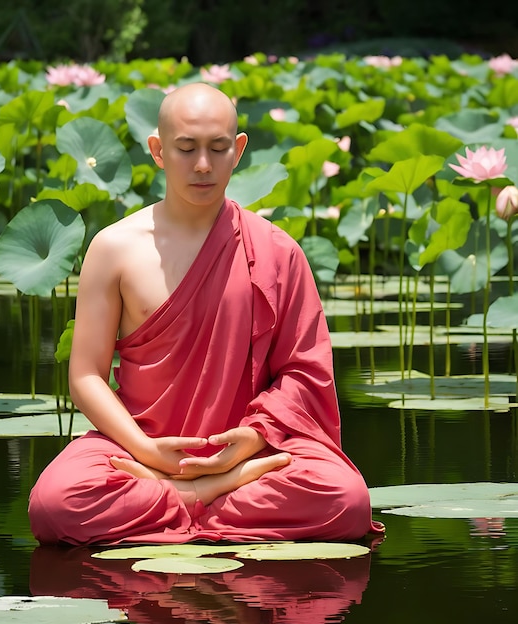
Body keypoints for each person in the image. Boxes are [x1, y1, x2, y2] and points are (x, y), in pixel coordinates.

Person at [28, 82, 384, 545]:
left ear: (238, 151)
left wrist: (252, 441)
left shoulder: (277, 251)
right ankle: (207, 497)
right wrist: (146, 451)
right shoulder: (113, 247)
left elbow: (303, 373)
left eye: (218, 149)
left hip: (245, 452)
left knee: (345, 499)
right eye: (185, 148)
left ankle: (182, 497)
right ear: (157, 150)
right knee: (56, 504)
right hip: (140, 444)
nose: (202, 165)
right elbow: (86, 376)